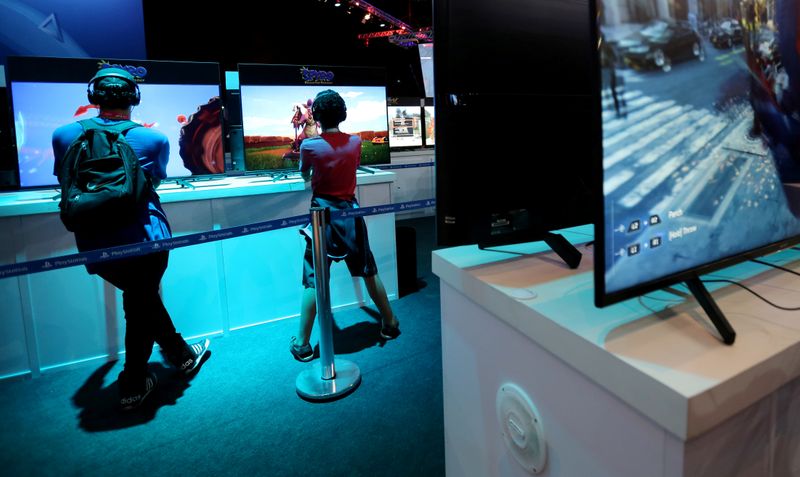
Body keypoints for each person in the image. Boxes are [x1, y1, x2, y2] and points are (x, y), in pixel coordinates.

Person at [52, 67, 210, 410]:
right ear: (134, 99)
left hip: (95, 242)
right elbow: (154, 181)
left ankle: (179, 356)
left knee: (139, 300)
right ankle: (135, 384)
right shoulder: (154, 140)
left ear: (93, 97)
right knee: (141, 303)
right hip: (146, 237)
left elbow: (66, 181)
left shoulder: (63, 135)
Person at [290, 89, 400, 362]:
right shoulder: (356, 142)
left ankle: (302, 344)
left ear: (315, 115)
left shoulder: (308, 145)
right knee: (368, 269)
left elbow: (304, 172)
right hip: (350, 215)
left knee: (314, 280)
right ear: (343, 114)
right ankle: (390, 322)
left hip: (321, 219)